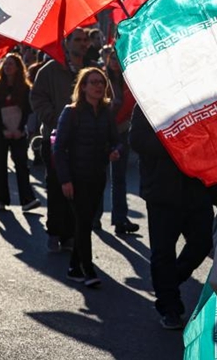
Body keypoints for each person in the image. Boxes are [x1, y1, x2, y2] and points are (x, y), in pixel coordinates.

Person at [130, 105, 215, 329]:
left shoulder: (198, 98)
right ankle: (169, 306)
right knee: (163, 252)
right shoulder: (147, 102)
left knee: (203, 242)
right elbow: (137, 140)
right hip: (162, 191)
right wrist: (176, 144)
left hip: (197, 188)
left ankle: (170, 280)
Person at [53, 67, 119, 288]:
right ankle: (88, 268)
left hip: (97, 176)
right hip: (76, 177)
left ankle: (73, 267)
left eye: (101, 82)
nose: (99, 86)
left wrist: (114, 150)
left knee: (86, 222)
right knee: (82, 222)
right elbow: (59, 149)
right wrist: (65, 180)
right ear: (83, 87)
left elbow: (115, 139)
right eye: (93, 82)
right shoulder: (71, 112)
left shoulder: (106, 111)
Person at [30, 28, 92, 252]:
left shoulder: (90, 69)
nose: (83, 44)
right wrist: (57, 118)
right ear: (67, 43)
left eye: (85, 40)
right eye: (78, 40)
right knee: (57, 187)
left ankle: (71, 234)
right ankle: (55, 231)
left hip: (84, 140)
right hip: (55, 139)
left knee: (79, 189)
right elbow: (37, 99)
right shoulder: (50, 70)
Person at [0, 53, 40, 212]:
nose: (7, 67)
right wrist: (3, 130)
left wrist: (20, 129)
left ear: (18, 68)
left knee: (22, 165)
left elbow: (28, 110)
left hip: (18, 132)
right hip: (0, 132)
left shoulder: (25, 88)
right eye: (5, 64)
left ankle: (27, 200)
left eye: (11, 64)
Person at [98, 49, 139, 234]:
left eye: (118, 58)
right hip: (101, 134)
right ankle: (94, 217)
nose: (115, 61)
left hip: (121, 133)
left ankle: (120, 219)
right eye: (112, 58)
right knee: (98, 178)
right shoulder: (100, 79)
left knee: (119, 178)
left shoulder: (128, 80)